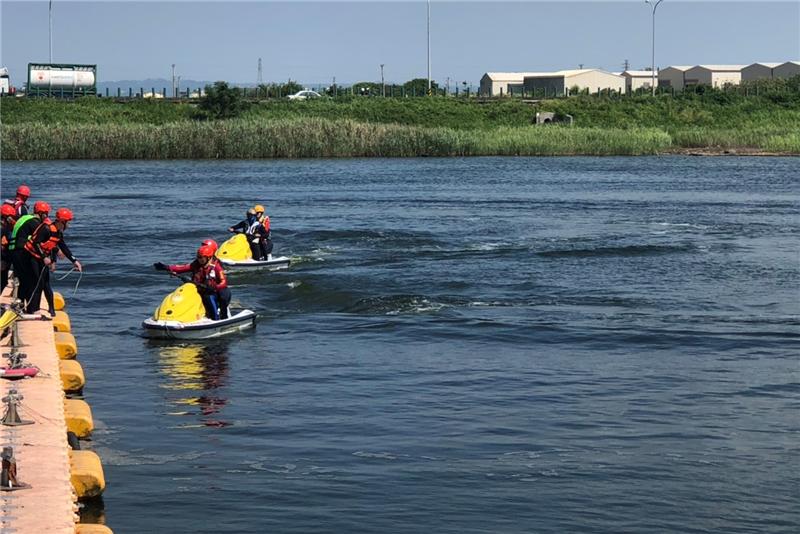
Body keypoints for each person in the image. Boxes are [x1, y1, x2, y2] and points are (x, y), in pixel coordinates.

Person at [22, 207, 82, 316]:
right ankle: (33, 309)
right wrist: (44, 257)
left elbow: (64, 247)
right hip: (32, 257)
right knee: (37, 283)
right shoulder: (46, 229)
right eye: (68, 222)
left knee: (46, 284)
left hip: (41, 259)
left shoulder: (58, 233)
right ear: (62, 222)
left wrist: (74, 261)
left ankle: (51, 309)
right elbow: (36, 243)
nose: (68, 225)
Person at [154, 245, 231, 320]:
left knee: (209, 297)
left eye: (201, 258)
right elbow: (182, 268)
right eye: (198, 257)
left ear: (208, 257)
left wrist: (214, 287)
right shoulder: (196, 264)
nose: (199, 259)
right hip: (199, 288)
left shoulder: (216, 267)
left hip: (212, 291)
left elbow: (223, 282)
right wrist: (166, 267)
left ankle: (217, 318)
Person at [0, 204, 17, 291]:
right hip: (3, 258)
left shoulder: (7, 228)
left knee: (4, 282)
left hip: (6, 257)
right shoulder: (2, 229)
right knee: (2, 281)